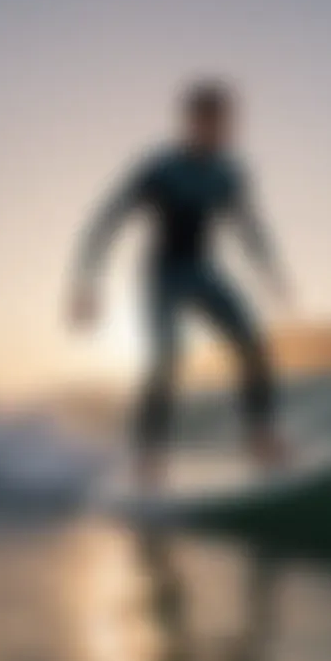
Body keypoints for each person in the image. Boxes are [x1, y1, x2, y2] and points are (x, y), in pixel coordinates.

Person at [67, 79, 289, 488]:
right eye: (213, 122)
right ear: (191, 122)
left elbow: (250, 228)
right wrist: (85, 283)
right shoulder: (159, 169)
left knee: (252, 344)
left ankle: (261, 438)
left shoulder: (229, 174)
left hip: (203, 271)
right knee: (166, 360)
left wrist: (272, 272)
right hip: (162, 276)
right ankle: (149, 459)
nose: (223, 131)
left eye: (227, 122)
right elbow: (106, 221)